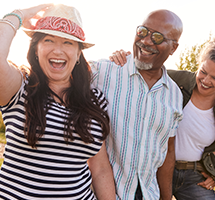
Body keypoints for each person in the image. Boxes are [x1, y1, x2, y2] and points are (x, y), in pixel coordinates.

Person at [0, 4, 115, 199]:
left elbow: (99, 168)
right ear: (36, 49)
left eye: (68, 42)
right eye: (49, 40)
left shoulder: (94, 100)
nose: (58, 50)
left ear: (78, 54)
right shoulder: (19, 88)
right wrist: (20, 14)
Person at [110, 39, 215, 200]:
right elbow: (142, 71)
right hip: (156, 169)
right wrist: (124, 57)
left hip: (193, 176)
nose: (206, 81)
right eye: (203, 72)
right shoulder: (175, 81)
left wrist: (212, 172)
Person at [90, 9, 184, 200]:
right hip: (99, 193)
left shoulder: (174, 94)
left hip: (147, 194)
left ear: (173, 48)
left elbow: (167, 152)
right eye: (142, 31)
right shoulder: (103, 72)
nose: (147, 41)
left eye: (157, 37)